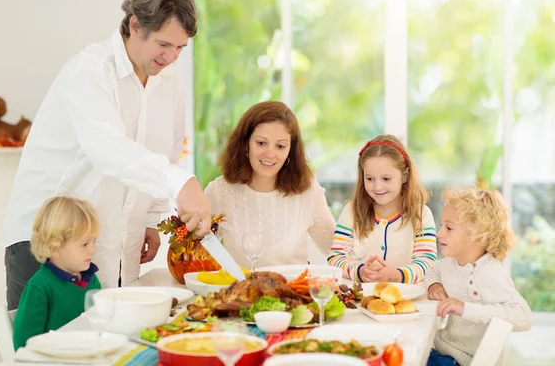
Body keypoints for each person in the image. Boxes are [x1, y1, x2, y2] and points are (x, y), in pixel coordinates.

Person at [2, 0, 211, 310]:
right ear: (135, 25)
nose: (171, 57)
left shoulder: (169, 81)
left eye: (181, 48)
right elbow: (109, 150)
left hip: (109, 245)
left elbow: (167, 151)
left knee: (105, 347)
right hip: (46, 241)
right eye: (164, 44)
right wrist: (181, 183)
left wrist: (150, 220)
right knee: (46, 356)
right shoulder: (90, 71)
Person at [204, 101, 335, 268]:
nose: (270, 153)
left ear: (290, 150)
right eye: (261, 143)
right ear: (246, 143)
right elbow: (196, 253)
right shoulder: (220, 191)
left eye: (280, 146)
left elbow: (337, 249)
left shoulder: (307, 190)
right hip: (241, 292)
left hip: (294, 291)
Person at [425, 187, 532, 366]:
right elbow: (432, 271)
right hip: (440, 350)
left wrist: (466, 308)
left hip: (460, 361)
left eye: (449, 228)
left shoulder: (490, 273)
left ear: (476, 234)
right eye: (441, 225)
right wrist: (434, 285)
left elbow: (524, 317)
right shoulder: (452, 262)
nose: (439, 233)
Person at [327, 134, 437, 283]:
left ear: (404, 176)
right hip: (361, 299)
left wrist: (399, 275)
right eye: (370, 179)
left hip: (405, 300)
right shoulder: (352, 211)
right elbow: (336, 257)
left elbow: (427, 262)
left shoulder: (421, 214)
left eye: (386, 179)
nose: (377, 187)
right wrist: (358, 272)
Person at [12, 197, 101, 350]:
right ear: (54, 247)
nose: (93, 250)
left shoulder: (91, 279)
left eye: (94, 241)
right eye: (85, 244)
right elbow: (23, 344)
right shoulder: (40, 287)